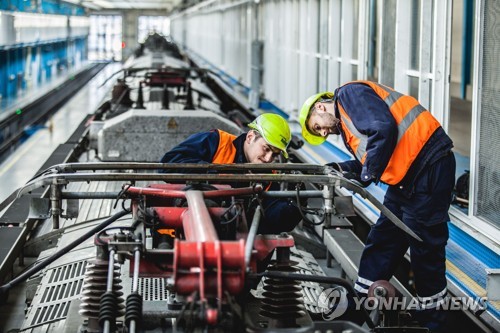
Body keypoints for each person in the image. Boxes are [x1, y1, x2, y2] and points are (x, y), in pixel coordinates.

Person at [300, 81, 455, 332]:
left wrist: (366, 177)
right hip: (406, 178)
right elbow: (372, 154)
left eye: (318, 127)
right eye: (319, 134)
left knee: (425, 248)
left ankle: (432, 322)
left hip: (428, 164)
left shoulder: (348, 95)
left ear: (320, 107)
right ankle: (356, 311)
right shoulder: (350, 126)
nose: (324, 133)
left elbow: (383, 129)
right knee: (383, 239)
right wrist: (344, 169)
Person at [160, 113, 302, 234]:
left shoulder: (268, 176)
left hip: (233, 242)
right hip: (182, 229)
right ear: (251, 137)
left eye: (275, 154)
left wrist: (297, 203)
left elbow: (274, 221)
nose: (268, 158)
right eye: (266, 149)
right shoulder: (216, 141)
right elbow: (168, 164)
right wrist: (217, 172)